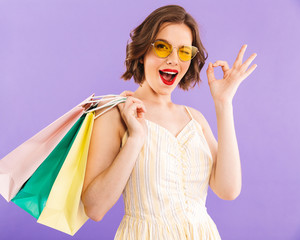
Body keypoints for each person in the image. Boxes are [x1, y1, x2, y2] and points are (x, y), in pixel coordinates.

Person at [81, 4, 257, 239]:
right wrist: (136, 139)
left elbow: (228, 190)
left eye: (184, 51)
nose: (174, 60)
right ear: (142, 52)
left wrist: (224, 104)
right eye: (163, 47)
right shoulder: (116, 114)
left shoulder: (195, 120)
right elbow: (94, 208)